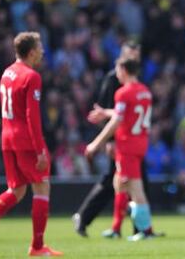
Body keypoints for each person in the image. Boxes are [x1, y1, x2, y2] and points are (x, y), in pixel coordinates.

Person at [0, 32, 63, 256]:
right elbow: (32, 116)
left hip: (7, 138)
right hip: (25, 140)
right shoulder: (32, 77)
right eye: (40, 47)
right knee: (42, 187)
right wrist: (40, 149)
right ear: (31, 52)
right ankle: (37, 247)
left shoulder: (7, 73)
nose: (42, 51)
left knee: (17, 189)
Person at [72, 41, 143, 238]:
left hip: (132, 138)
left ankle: (131, 228)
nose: (134, 59)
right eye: (131, 55)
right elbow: (103, 111)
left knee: (124, 181)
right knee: (116, 182)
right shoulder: (113, 79)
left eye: (137, 55)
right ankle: (85, 217)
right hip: (119, 139)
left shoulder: (135, 77)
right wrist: (109, 141)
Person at [84, 56, 157, 241]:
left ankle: (146, 231)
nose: (116, 74)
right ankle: (116, 228)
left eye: (117, 70)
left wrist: (95, 144)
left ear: (124, 70)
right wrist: (106, 112)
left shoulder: (123, 93)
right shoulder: (145, 92)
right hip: (140, 143)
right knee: (120, 183)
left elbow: (117, 121)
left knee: (135, 189)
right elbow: (129, 113)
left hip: (127, 146)